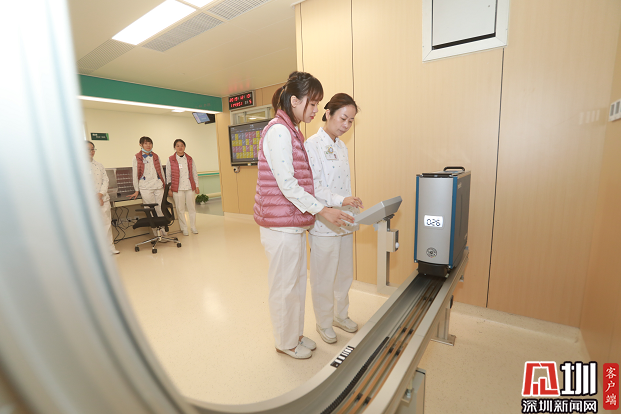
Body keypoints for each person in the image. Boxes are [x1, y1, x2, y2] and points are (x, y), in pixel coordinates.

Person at [254, 71, 355, 359]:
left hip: (293, 223)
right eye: (312, 103)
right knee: (285, 287)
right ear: (295, 100)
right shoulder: (278, 131)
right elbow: (288, 184)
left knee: (295, 285)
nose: (315, 110)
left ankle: (294, 335)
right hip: (280, 225)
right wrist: (323, 209)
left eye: (317, 104)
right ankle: (285, 342)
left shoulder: (292, 131)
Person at [304, 93, 362, 344]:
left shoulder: (341, 146)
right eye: (343, 118)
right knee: (324, 277)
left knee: (344, 273)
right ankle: (324, 322)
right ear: (328, 113)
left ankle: (340, 315)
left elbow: (342, 184)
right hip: (323, 221)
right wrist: (341, 199)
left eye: (351, 121)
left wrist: (350, 201)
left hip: (344, 219)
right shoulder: (312, 145)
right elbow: (314, 187)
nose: (346, 125)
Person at [128, 136, 167, 235]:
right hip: (145, 187)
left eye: (150, 143)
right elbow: (135, 174)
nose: (148, 145)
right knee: (150, 210)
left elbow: (161, 172)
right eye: (145, 143)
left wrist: (164, 185)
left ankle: (163, 233)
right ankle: (156, 234)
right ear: (140, 145)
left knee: (160, 209)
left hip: (158, 186)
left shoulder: (156, 156)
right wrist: (136, 190)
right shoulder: (137, 157)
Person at [87, 141, 119, 255]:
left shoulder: (99, 165)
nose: (91, 151)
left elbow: (106, 180)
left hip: (103, 199)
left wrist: (100, 194)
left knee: (106, 225)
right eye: (88, 149)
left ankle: (110, 247)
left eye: (92, 149)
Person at [166, 139, 199, 236]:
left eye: (182, 145)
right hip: (177, 188)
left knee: (191, 208)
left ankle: (193, 226)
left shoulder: (189, 159)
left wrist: (197, 185)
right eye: (178, 146)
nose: (180, 147)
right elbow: (168, 175)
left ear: (184, 147)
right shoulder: (170, 159)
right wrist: (169, 188)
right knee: (180, 209)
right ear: (175, 147)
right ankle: (184, 228)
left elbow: (194, 173)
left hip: (189, 187)